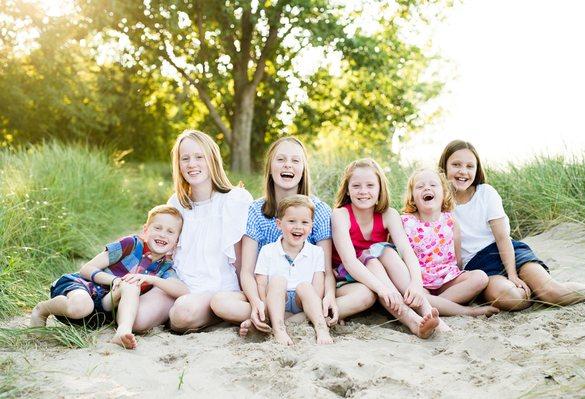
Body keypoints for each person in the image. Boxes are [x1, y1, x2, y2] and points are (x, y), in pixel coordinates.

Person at [210, 137, 376, 336]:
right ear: (270, 167)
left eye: (295, 160)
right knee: (219, 302)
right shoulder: (255, 210)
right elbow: (247, 272)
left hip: (309, 294)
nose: (288, 164)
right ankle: (284, 317)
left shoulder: (320, 210)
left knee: (365, 295)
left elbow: (324, 270)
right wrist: (256, 303)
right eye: (281, 159)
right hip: (269, 292)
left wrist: (329, 296)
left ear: (303, 169)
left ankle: (287, 320)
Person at [439, 139, 585, 310]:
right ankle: (533, 291)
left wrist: (512, 274)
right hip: (478, 267)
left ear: (477, 169)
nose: (463, 171)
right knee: (513, 299)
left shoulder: (486, 193)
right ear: (444, 167)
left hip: (508, 252)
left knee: (552, 293)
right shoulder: (438, 204)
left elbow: (502, 238)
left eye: (470, 166)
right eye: (456, 164)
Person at [30, 205, 189, 349]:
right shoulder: (131, 244)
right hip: (84, 287)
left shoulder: (165, 267)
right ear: (145, 230)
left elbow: (183, 290)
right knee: (81, 306)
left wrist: (152, 279)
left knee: (131, 284)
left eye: (170, 231)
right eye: (158, 228)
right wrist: (114, 280)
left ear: (176, 241)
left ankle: (122, 332)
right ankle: (42, 309)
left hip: (103, 308)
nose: (163, 234)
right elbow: (86, 269)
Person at [331, 158, 442, 339]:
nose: (363, 191)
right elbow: (350, 262)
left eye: (370, 185)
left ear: (380, 189)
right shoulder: (340, 215)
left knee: (388, 252)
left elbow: (407, 252)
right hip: (349, 279)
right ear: (348, 190)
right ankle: (413, 322)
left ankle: (427, 311)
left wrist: (416, 283)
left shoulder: (389, 214)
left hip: (381, 278)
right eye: (356, 186)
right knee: (374, 260)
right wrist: (382, 288)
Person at [165, 130, 253, 332]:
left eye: (199, 157)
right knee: (141, 320)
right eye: (185, 158)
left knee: (181, 315)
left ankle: (220, 314)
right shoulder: (176, 203)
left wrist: (247, 294)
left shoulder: (234, 199)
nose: (191, 164)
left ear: (212, 159)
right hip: (182, 285)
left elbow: (241, 257)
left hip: (220, 288)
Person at [401, 169, 499, 317]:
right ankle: (465, 311)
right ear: (412, 197)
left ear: (444, 193)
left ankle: (435, 305)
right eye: (420, 187)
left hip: (447, 279)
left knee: (480, 277)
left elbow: (457, 259)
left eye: (433, 185)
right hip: (421, 282)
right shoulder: (405, 222)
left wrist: (457, 278)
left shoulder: (450, 220)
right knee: (416, 295)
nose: (427, 188)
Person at [255, 195, 333, 345]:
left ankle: (321, 327)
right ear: (279, 224)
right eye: (291, 221)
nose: (298, 227)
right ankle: (279, 328)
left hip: (302, 302)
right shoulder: (267, 251)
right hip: (277, 301)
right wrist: (265, 309)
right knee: (278, 280)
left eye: (305, 222)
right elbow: (261, 284)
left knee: (304, 286)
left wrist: (314, 306)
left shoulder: (316, 252)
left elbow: (318, 286)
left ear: (311, 226)